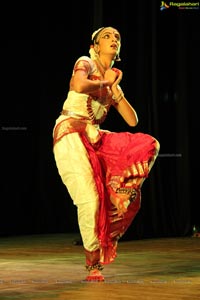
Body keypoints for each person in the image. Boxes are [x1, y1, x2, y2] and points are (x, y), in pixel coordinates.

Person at [52, 26, 160, 281]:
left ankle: (120, 189)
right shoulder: (86, 62)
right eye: (107, 36)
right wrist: (105, 83)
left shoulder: (113, 79)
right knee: (89, 198)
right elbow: (78, 85)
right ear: (96, 45)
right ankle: (93, 264)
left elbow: (132, 120)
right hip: (70, 132)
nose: (113, 39)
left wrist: (116, 93)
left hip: (95, 136)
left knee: (149, 144)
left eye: (117, 38)